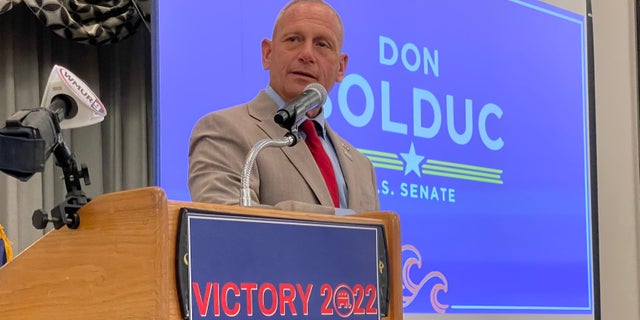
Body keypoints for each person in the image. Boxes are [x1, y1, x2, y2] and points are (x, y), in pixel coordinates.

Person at [188, 0, 379, 214]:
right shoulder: (223, 130)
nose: (307, 54)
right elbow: (228, 223)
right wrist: (341, 218)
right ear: (267, 53)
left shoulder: (362, 168)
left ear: (341, 68)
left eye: (322, 44)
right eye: (293, 39)